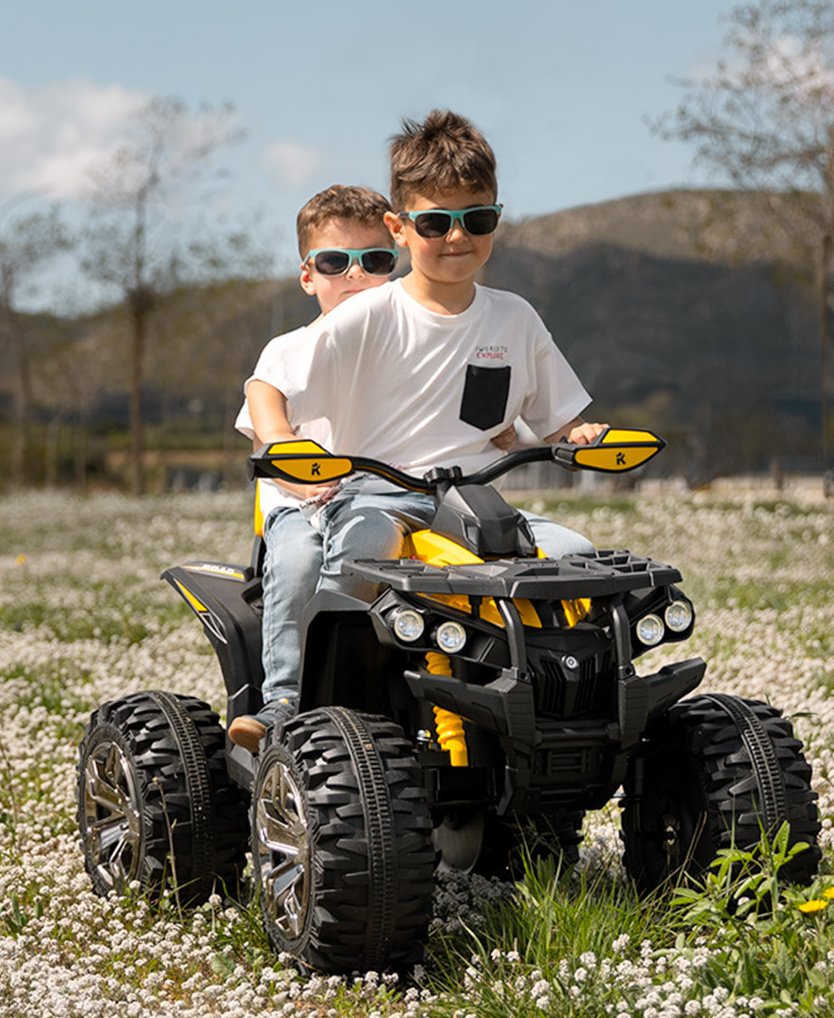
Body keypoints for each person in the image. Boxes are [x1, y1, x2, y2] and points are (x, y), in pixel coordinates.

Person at [233, 110, 604, 751]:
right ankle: (305, 707)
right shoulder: (369, 313)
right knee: (360, 545)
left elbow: (558, 418)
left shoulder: (513, 318)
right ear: (402, 229)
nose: (457, 238)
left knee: (576, 556)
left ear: (497, 219)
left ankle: (562, 705)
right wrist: (281, 443)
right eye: (436, 222)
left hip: (472, 498)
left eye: (476, 220)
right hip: (376, 493)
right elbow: (268, 385)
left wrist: (581, 434)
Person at [230, 184, 400, 753]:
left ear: (394, 266)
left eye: (373, 261)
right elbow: (267, 433)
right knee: (302, 561)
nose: (355, 276)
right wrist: (300, 473)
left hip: (381, 497)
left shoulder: (408, 348)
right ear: (309, 275)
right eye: (335, 262)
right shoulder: (287, 351)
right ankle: (284, 698)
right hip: (302, 504)